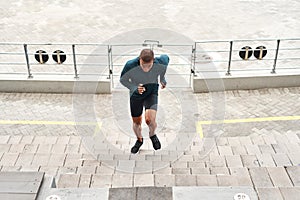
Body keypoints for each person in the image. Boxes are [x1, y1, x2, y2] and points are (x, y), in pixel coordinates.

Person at [120, 49, 169, 154]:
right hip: (136, 95)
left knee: (150, 120)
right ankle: (139, 140)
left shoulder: (160, 62)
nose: (146, 69)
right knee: (137, 122)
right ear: (139, 59)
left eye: (149, 66)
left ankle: (152, 135)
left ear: (153, 60)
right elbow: (123, 80)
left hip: (152, 92)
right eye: (143, 65)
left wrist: (162, 78)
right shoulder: (130, 65)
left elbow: (166, 59)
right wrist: (134, 87)